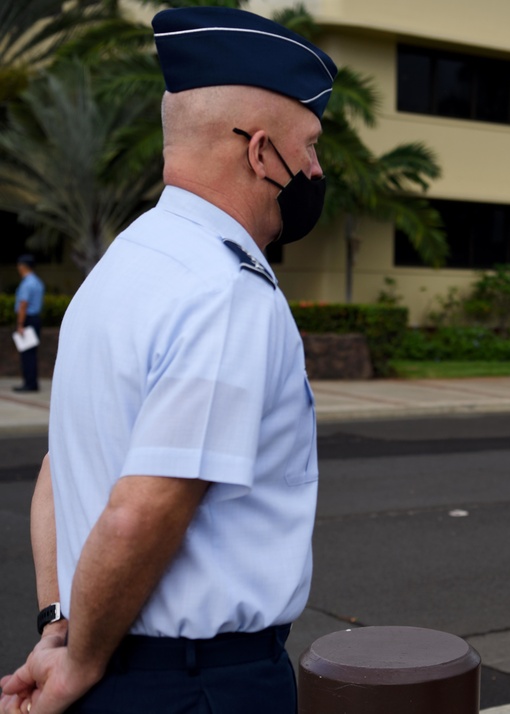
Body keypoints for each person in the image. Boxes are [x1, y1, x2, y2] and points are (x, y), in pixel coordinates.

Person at [0, 6, 337, 714]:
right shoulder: (226, 292)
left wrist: (60, 628)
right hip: (200, 687)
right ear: (259, 152)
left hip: (115, 668)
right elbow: (142, 510)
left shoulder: (121, 269)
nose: (315, 168)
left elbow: (60, 469)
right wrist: (78, 662)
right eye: (308, 146)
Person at [13, 254, 44, 393]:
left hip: (28, 319)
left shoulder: (27, 283)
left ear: (23, 266)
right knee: (32, 352)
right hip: (36, 318)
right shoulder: (37, 282)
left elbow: (23, 305)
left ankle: (29, 383)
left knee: (27, 353)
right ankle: (32, 382)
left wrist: (20, 324)